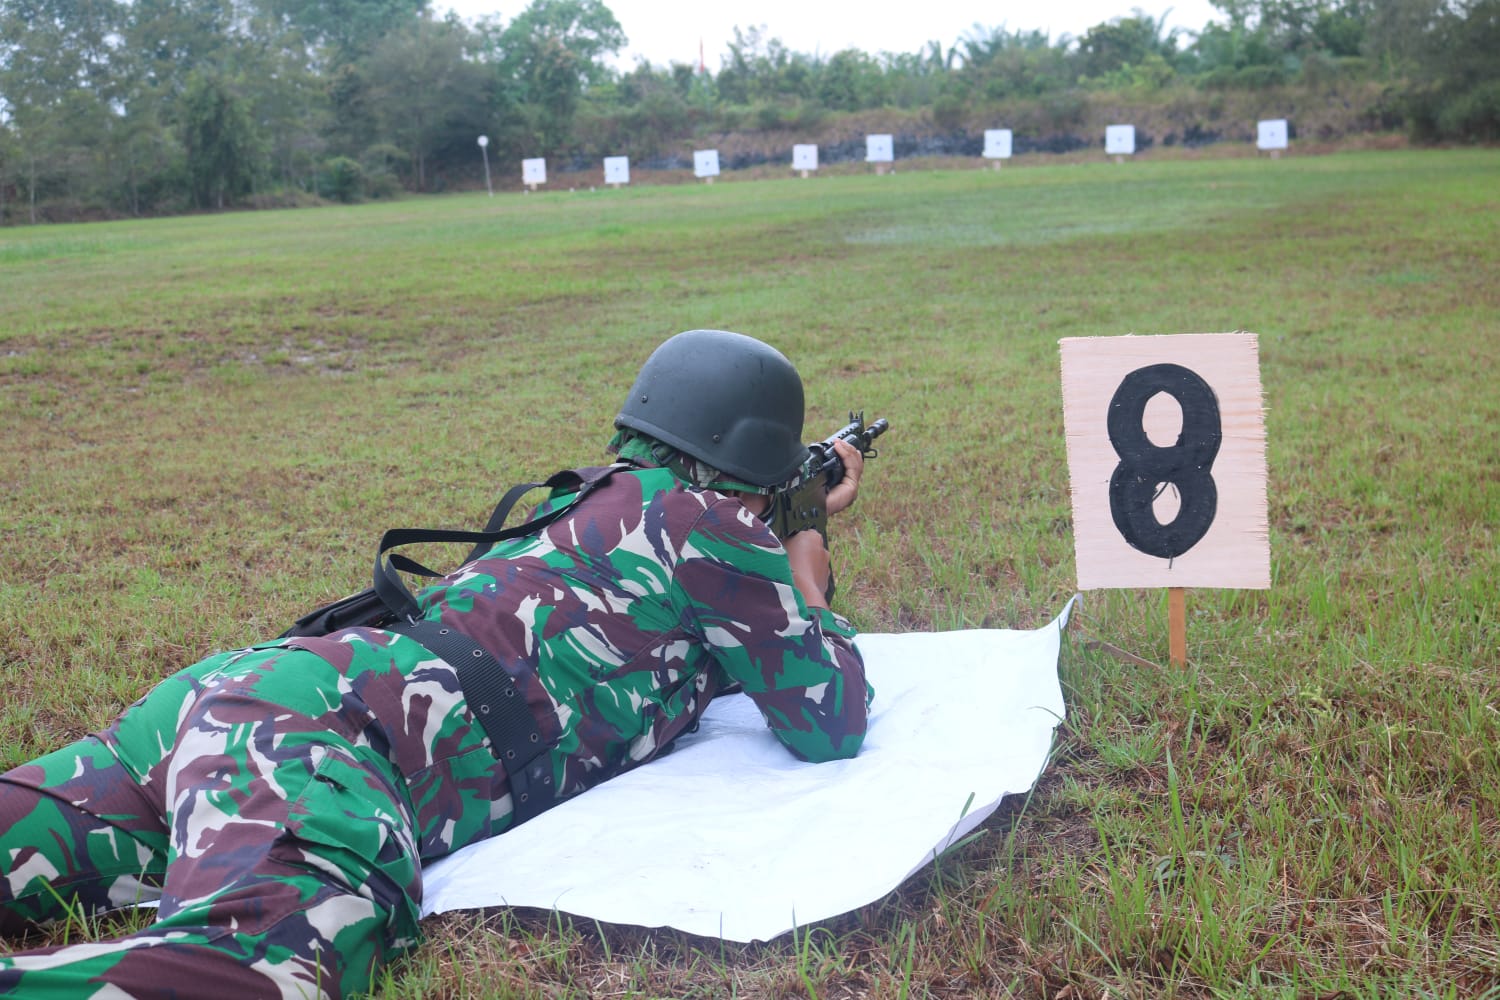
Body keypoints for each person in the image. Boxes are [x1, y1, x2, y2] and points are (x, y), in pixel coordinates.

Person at [0, 329, 872, 999]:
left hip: (247, 693)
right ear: (754, 462)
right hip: (327, 740)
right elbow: (828, 719)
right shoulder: (711, 527)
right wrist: (804, 562)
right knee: (271, 962)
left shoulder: (590, 497)